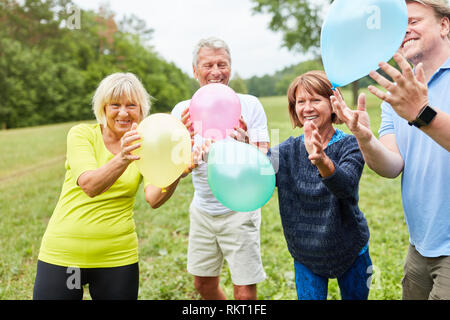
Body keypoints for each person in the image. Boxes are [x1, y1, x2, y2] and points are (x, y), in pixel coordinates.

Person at [33, 72, 198, 300]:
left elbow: (154, 198)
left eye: (131, 105)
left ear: (141, 110)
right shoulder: (82, 135)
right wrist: (123, 157)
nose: (123, 112)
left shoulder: (146, 145)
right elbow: (90, 185)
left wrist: (176, 171)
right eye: (115, 105)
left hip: (117, 257)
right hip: (64, 254)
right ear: (103, 108)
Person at [331, 0, 450, 300]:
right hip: (420, 246)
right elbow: (392, 165)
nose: (405, 30)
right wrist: (365, 138)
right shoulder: (395, 95)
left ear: (444, 25)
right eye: (399, 25)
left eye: (414, 20)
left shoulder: (410, 102)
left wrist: (421, 113)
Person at [171, 37, 270, 300]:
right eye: (208, 65)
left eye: (222, 64)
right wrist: (186, 151)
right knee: (203, 285)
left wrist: (245, 144)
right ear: (195, 71)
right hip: (203, 209)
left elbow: (266, 162)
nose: (216, 71)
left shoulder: (250, 105)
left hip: (241, 208)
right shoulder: (182, 112)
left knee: (245, 292)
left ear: (230, 68)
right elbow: (174, 169)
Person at [265, 71, 372, 300]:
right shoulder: (287, 150)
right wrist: (244, 147)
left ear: (333, 104)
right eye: (301, 102)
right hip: (306, 251)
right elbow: (260, 171)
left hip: (350, 247)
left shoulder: (351, 144)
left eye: (315, 100)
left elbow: (345, 186)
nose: (307, 108)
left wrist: (322, 161)